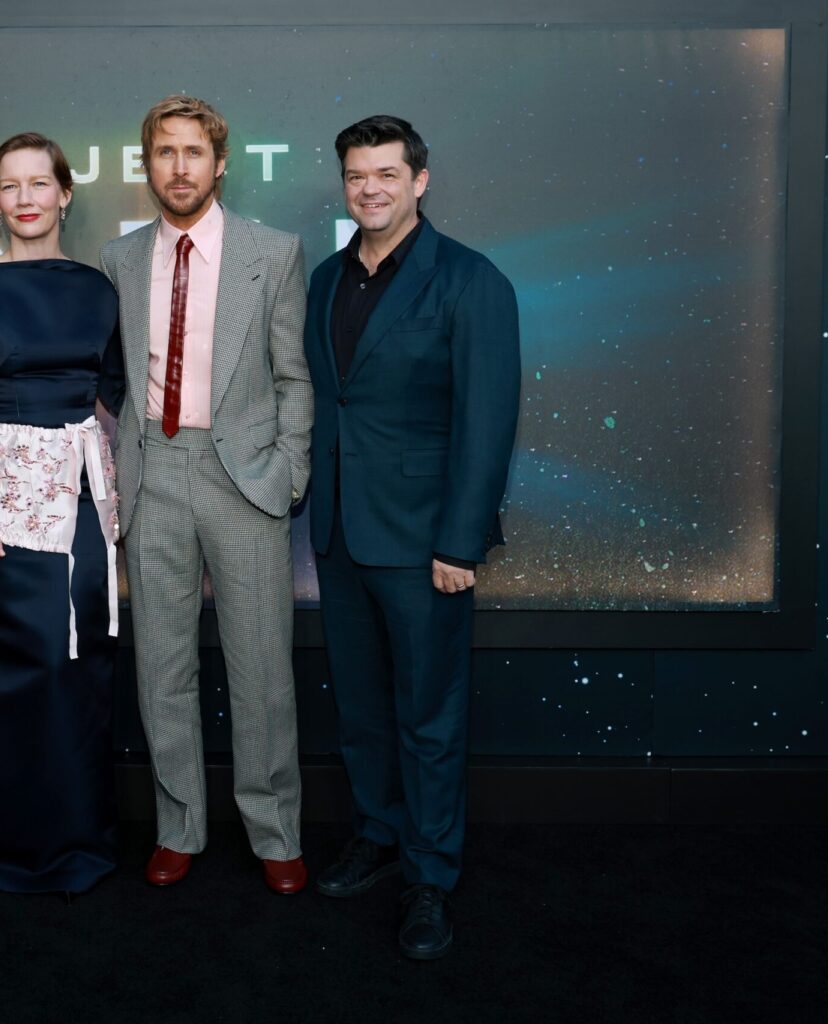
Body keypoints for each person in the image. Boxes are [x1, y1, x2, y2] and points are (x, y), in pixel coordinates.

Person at [304, 115, 521, 959]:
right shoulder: (326, 278)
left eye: (387, 174)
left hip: (427, 545)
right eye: (357, 175)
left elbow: (486, 422)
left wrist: (461, 544)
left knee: (429, 716)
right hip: (339, 535)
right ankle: (378, 833)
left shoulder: (470, 280)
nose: (371, 189)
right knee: (361, 710)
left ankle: (430, 876)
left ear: (419, 181)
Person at [99, 95, 313, 894]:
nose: (179, 167)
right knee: (162, 667)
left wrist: (289, 471)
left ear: (220, 164)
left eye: (194, 152)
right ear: (147, 165)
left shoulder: (274, 252)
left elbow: (294, 377)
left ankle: (275, 831)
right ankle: (177, 825)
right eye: (165, 152)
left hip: (244, 478)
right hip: (154, 472)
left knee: (262, 669)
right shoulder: (119, 259)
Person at [0, 133, 121, 895]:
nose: (25, 198)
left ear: (64, 193)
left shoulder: (98, 290)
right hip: (2, 508)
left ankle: (80, 840)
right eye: (9, 186)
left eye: (39, 183)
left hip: (83, 506)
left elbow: (123, 393)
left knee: (81, 668)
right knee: (16, 671)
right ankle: (11, 848)